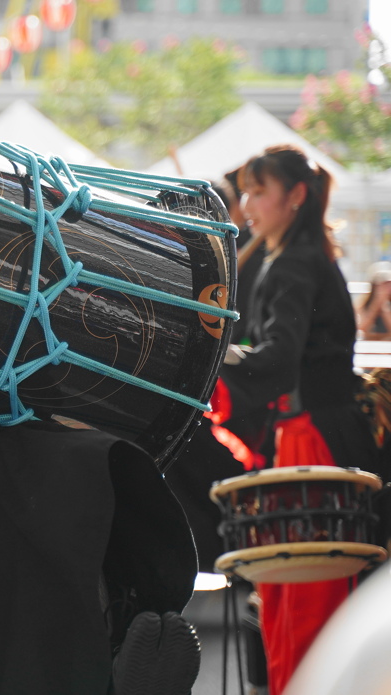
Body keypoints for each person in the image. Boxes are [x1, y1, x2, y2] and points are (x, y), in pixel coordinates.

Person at [211, 145, 383, 695]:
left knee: (307, 596)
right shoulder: (303, 255)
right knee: (303, 592)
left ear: (296, 196)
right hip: (322, 433)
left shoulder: (293, 262)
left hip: (313, 439)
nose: (248, 203)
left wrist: (213, 352)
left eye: (260, 191)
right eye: (247, 191)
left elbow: (278, 362)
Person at [356, 262, 391, 341]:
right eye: (382, 284)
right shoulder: (363, 304)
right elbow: (361, 328)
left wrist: (385, 308)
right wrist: (375, 306)